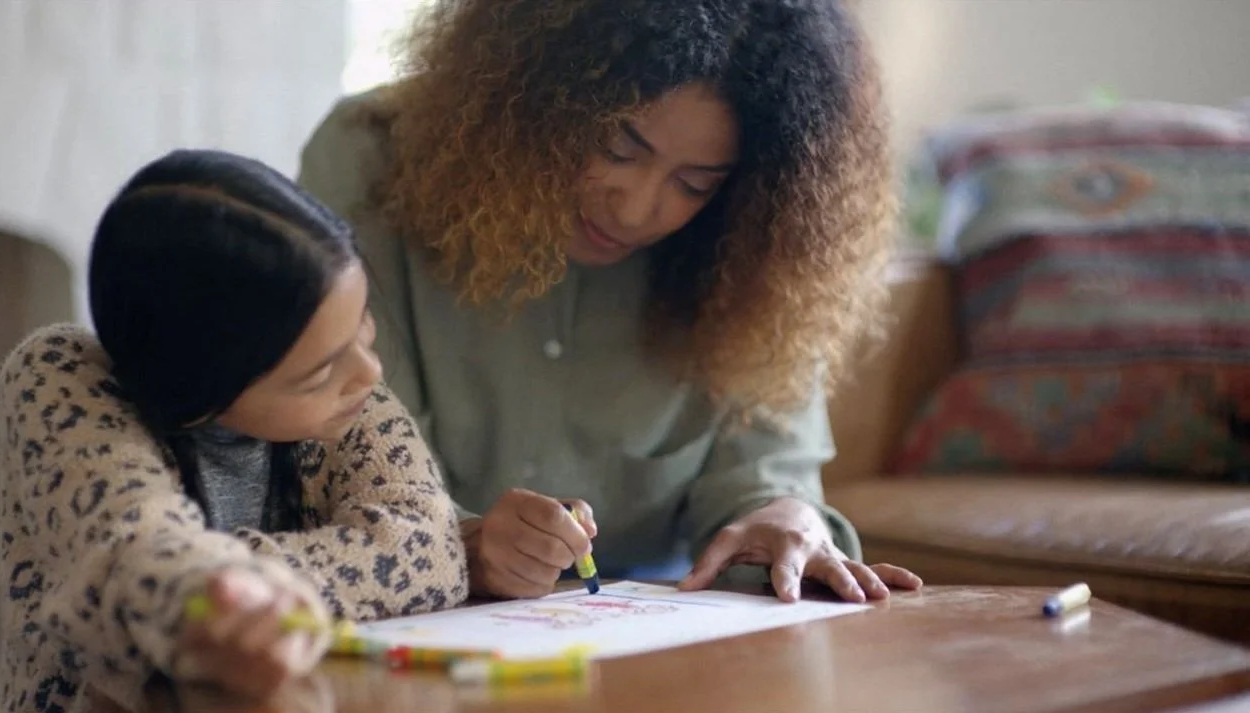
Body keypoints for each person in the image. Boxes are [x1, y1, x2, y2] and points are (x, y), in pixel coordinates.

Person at [298, 0, 922, 604]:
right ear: (538, 92)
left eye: (694, 184)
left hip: (657, 627)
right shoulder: (370, 159)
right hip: (419, 612)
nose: (637, 209)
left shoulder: (763, 254)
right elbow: (345, 437)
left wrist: (784, 522)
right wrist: (458, 539)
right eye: (617, 149)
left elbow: (764, 472)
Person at [0, 149, 468, 713]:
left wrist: (228, 587)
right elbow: (132, 565)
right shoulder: (60, 377)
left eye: (362, 323)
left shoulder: (345, 391)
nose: (370, 371)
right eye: (318, 371)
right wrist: (213, 597)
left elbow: (429, 552)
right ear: (199, 388)